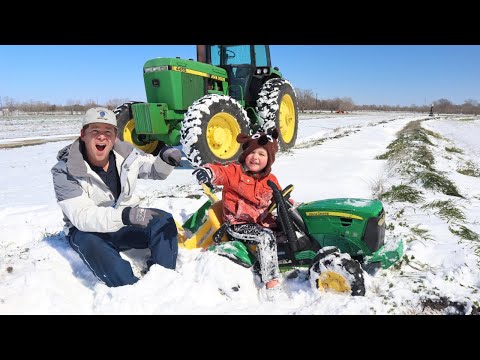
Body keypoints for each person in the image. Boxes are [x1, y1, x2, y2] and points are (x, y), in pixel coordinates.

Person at [51, 107, 182, 287]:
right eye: (95, 131)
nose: (102, 137)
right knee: (112, 266)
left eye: (108, 131)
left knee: (163, 221)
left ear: (115, 136)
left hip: (122, 221)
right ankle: (131, 291)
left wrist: (165, 159)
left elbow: (153, 170)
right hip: (87, 231)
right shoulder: (64, 170)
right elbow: (81, 216)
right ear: (83, 134)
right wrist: (125, 215)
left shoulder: (126, 155)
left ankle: (163, 279)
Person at [192, 128, 287, 301]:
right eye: (252, 153)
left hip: (263, 221)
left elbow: (280, 197)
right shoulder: (235, 172)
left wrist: (289, 207)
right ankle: (271, 282)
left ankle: (274, 260)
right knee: (265, 237)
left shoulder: (271, 179)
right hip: (238, 224)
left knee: (285, 231)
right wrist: (209, 172)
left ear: (269, 159)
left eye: (262, 154)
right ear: (245, 154)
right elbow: (220, 171)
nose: (256, 157)